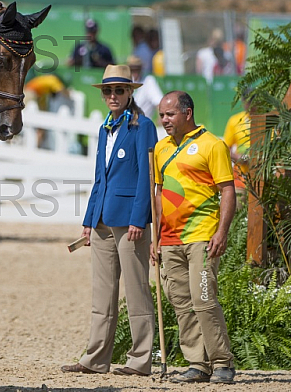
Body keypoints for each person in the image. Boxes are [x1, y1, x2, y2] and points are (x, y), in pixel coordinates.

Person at [61, 64, 157, 377]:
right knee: (102, 293)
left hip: (130, 221)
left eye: (119, 90)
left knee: (137, 289)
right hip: (102, 220)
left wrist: (140, 219)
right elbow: (99, 178)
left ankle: (140, 359)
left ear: (130, 92)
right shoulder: (105, 128)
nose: (113, 95)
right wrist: (89, 219)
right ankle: (95, 358)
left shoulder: (143, 127)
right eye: (108, 90)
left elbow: (147, 176)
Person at [152, 91, 236, 384]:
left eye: (170, 114)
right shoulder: (160, 148)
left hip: (202, 236)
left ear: (187, 113)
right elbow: (160, 194)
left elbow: (228, 190)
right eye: (162, 114)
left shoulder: (213, 145)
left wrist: (221, 232)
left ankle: (223, 362)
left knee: (203, 299)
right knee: (181, 303)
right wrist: (156, 238)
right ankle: (197, 364)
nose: (164, 120)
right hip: (170, 240)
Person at [222, 95, 250, 194]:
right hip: (240, 176)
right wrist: (239, 157)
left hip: (262, 175)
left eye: (254, 100)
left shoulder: (267, 120)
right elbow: (225, 149)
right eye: (247, 101)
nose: (251, 104)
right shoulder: (235, 120)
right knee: (238, 203)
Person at [127, 55, 162, 120]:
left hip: (143, 123)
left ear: (141, 68)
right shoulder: (126, 82)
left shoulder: (149, 81)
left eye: (137, 68)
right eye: (132, 69)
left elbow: (158, 102)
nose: (135, 71)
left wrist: (160, 118)